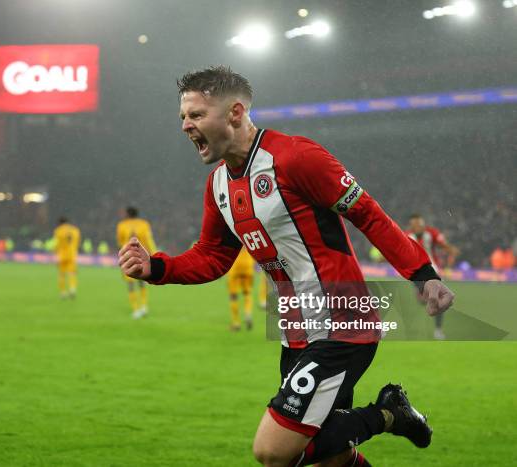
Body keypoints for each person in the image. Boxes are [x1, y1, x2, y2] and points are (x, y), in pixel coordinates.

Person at [118, 66, 455, 467]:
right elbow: (212, 256)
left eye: (195, 115)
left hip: (343, 322)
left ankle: (388, 413)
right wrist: (157, 269)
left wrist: (422, 273)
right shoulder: (218, 185)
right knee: (330, 457)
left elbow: (366, 213)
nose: (186, 126)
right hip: (295, 333)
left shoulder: (296, 157)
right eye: (182, 117)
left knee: (274, 451)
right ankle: (386, 415)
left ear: (235, 113)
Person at [406, 214, 459, 339]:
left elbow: (444, 245)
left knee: (437, 298)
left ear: (423, 224)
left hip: (433, 269)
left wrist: (451, 250)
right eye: (415, 225)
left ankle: (438, 330)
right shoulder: (406, 235)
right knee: (424, 300)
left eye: (420, 224)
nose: (418, 227)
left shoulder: (431, 233)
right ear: (411, 226)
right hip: (416, 272)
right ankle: (426, 298)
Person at [116, 207, 157, 318]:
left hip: (128, 257)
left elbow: (120, 243)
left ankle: (135, 309)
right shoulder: (144, 224)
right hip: (142, 257)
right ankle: (144, 307)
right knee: (141, 282)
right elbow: (149, 240)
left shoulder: (121, 225)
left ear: (127, 214)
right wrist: (154, 253)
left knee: (130, 284)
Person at [227, 247, 256, 331]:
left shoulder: (232, 234)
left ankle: (236, 322)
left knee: (233, 296)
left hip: (235, 267)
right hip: (248, 266)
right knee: (247, 293)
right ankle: (248, 313)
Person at [53, 217, 81, 299]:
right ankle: (72, 289)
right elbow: (78, 242)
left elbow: (57, 243)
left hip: (61, 255)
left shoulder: (58, 230)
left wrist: (55, 253)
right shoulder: (75, 230)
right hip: (72, 255)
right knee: (72, 273)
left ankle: (63, 292)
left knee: (61, 274)